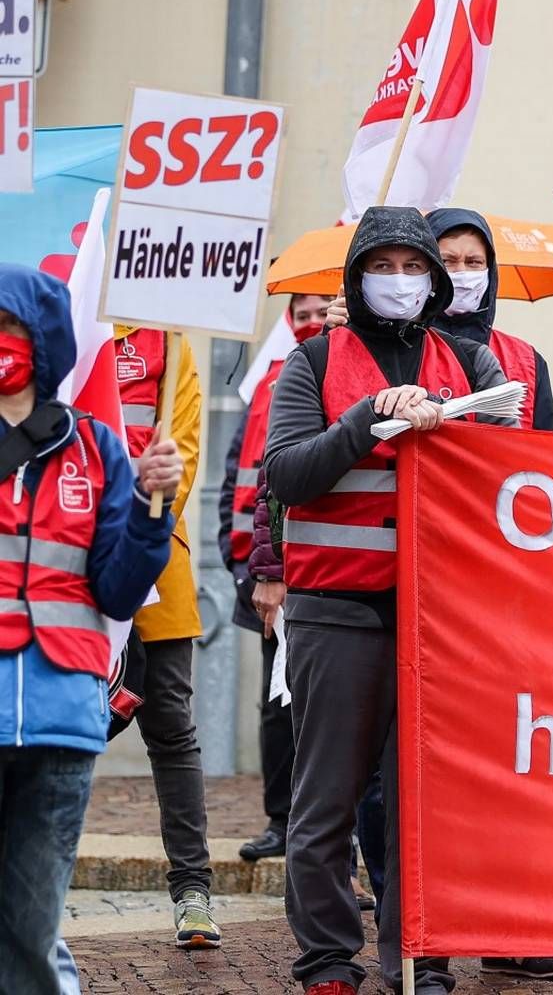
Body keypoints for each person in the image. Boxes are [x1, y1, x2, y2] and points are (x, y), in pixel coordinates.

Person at [265, 206, 521, 995]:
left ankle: (421, 959)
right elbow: (286, 474)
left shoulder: (469, 363)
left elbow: (506, 488)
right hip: (336, 614)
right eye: (386, 267)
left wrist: (471, 430)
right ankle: (327, 961)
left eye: (416, 270)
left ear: (437, 283)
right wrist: (365, 423)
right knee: (326, 800)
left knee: (425, 808)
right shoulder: (312, 362)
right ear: (357, 275)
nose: (401, 282)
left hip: (437, 617)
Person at [0, 263, 179, 995]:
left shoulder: (98, 449)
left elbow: (118, 586)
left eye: (12, 329)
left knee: (31, 929)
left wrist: (149, 508)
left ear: (43, 341)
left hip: (62, 718)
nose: (2, 344)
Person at [111, 323, 219, 948]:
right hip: (74, 561)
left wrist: (141, 532)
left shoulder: (169, 339)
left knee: (171, 727)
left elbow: (183, 447)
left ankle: (193, 893)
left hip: (157, 559)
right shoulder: (69, 319)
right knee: (66, 734)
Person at [217, 293, 331, 864]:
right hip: (266, 578)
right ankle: (279, 821)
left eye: (321, 309)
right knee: (277, 704)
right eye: (300, 313)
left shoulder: (343, 373)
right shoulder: (268, 384)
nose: (311, 321)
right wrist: (245, 563)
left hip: (325, 574)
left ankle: (337, 834)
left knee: (327, 707)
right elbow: (244, 477)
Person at [327, 208, 553, 430]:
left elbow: (538, 454)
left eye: (474, 262)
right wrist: (337, 332)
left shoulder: (526, 359)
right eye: (448, 261)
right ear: (432, 270)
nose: (462, 273)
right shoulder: (391, 345)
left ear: (490, 270)